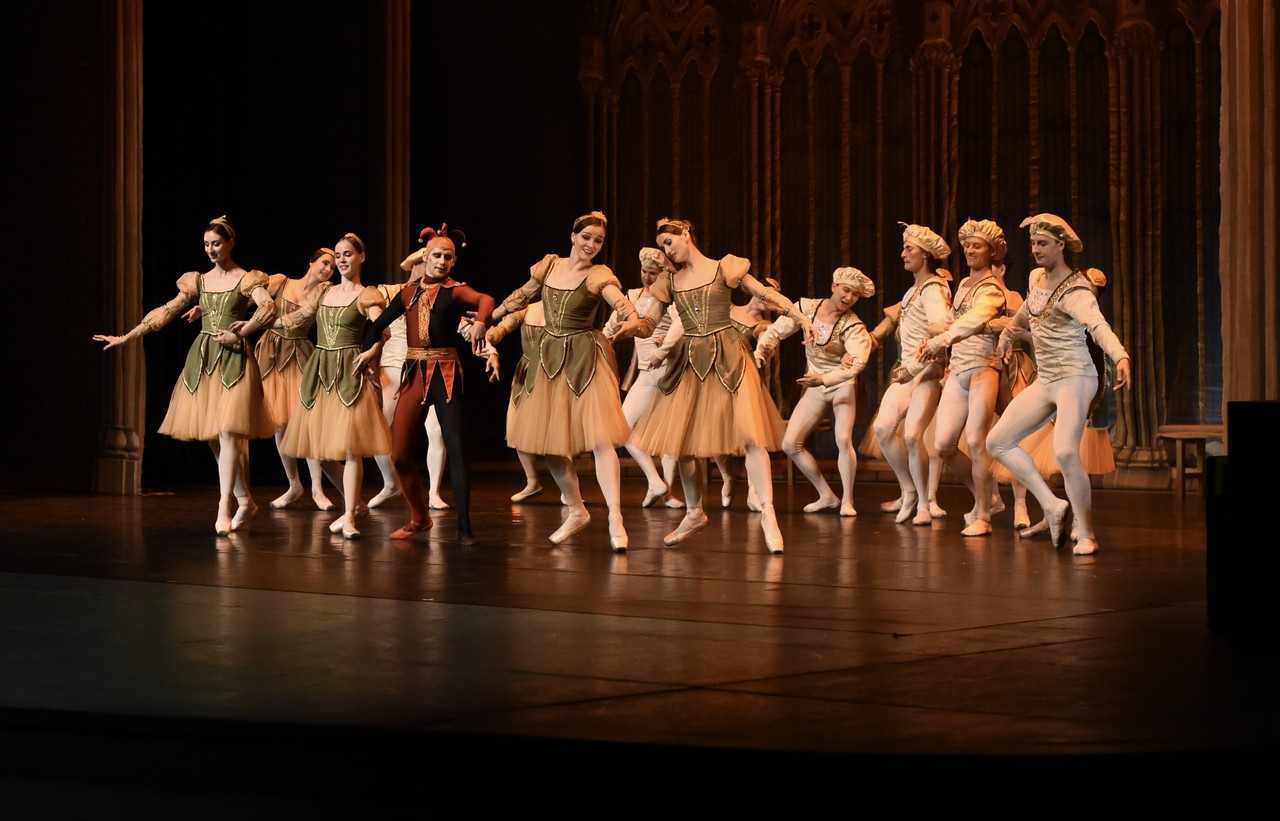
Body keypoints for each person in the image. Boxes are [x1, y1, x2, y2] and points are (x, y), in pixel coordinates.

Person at [629, 217, 815, 554]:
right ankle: (694, 511)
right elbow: (649, 321)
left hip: (729, 358)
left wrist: (801, 318)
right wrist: (628, 327)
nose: (666, 252)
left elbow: (765, 294)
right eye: (662, 247)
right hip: (690, 363)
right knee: (682, 445)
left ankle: (768, 513)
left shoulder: (723, 267)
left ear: (686, 234)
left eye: (669, 243)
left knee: (751, 437)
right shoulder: (670, 280)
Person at [94, 216, 277, 536]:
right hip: (204, 358)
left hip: (233, 358)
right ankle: (244, 499)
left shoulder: (247, 279)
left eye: (216, 244)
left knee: (228, 431)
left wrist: (243, 332)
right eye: (206, 245)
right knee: (211, 434)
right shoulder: (199, 281)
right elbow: (165, 311)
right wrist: (127, 336)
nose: (210, 250)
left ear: (231, 243)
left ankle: (224, 506)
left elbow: (268, 308)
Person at [488, 211, 642, 552]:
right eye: (586, 237)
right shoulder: (548, 266)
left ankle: (615, 515)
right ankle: (576, 510)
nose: (591, 244)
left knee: (601, 440)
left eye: (598, 241)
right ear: (573, 236)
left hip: (583, 358)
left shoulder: (598, 275)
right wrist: (491, 316)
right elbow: (522, 295)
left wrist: (631, 318)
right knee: (549, 445)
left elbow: (619, 301)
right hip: (548, 361)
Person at [986, 214, 1131, 556]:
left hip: (1076, 377)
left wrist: (1121, 356)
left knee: (1066, 450)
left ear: (1061, 246)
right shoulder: (1038, 283)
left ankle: (1088, 533)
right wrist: (1007, 335)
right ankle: (1052, 505)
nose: (1036, 250)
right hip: (1047, 378)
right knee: (998, 441)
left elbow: (1098, 326)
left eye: (1043, 244)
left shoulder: (1076, 290)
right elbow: (1024, 315)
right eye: (1033, 244)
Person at [361, 224, 494, 545]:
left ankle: (464, 527)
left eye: (448, 257)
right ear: (426, 257)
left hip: (445, 372)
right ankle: (419, 518)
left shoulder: (454, 291)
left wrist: (479, 322)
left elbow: (486, 299)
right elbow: (378, 324)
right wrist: (369, 351)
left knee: (457, 450)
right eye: (437, 255)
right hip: (414, 372)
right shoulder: (406, 293)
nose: (442, 261)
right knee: (399, 455)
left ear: (453, 262)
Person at [279, 232, 391, 539]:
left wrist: (372, 350)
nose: (341, 260)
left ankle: (349, 515)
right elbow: (295, 319)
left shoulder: (367, 294)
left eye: (347, 255)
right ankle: (354, 503)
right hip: (320, 370)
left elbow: (382, 329)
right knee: (319, 448)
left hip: (349, 371)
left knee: (351, 448)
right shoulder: (324, 293)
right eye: (338, 255)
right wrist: (257, 323)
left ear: (361, 258)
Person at [650, 276, 779, 512]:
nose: (767, 300)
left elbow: (767, 342)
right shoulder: (725, 308)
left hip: (740, 379)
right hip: (711, 376)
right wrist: (669, 341)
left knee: (751, 437)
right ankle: (728, 475)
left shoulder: (764, 324)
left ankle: (754, 492)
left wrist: (765, 349)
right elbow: (695, 326)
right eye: (766, 293)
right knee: (715, 434)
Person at [755, 266, 875, 517]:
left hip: (840, 384)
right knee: (790, 443)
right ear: (833, 287)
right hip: (816, 384)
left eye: (855, 295)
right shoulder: (805, 308)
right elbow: (777, 331)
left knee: (843, 438)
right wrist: (762, 348)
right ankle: (826, 495)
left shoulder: (853, 326)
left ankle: (847, 501)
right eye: (846, 290)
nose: (849, 298)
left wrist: (826, 377)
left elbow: (858, 362)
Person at [921, 219, 1009, 536]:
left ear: (992, 251)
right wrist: (933, 332)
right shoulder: (962, 285)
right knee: (943, 444)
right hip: (958, 369)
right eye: (968, 245)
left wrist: (939, 339)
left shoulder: (993, 289)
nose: (970, 250)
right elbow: (952, 321)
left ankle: (984, 515)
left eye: (978, 245)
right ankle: (987, 497)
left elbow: (973, 320)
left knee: (975, 441)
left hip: (984, 367)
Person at [870, 222, 953, 526]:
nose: (903, 253)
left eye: (909, 249)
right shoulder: (910, 292)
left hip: (927, 372)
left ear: (926, 255)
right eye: (904, 248)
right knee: (882, 428)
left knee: (912, 434)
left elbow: (941, 329)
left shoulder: (933, 289)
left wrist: (917, 366)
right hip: (907, 373)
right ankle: (908, 490)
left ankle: (923, 504)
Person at [257, 248, 339, 511]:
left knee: (306, 422)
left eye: (333, 266)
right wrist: (207, 308)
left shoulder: (324, 292)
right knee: (279, 424)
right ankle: (294, 484)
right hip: (271, 354)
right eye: (325, 262)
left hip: (300, 355)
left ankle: (317, 488)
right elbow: (247, 296)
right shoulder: (281, 281)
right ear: (312, 262)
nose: (328, 268)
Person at [604, 247, 683, 508]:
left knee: (669, 436)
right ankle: (655, 481)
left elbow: (682, 325)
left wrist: (664, 346)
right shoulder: (633, 297)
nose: (647, 277)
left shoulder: (668, 299)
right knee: (622, 427)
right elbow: (611, 324)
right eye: (644, 272)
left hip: (667, 368)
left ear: (662, 275)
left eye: (653, 273)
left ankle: (667, 491)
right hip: (647, 373)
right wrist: (601, 341)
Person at [372, 281, 451, 512]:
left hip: (426, 368)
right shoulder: (388, 291)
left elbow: (462, 327)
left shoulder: (441, 294)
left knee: (436, 431)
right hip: (391, 367)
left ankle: (433, 492)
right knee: (378, 429)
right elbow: (376, 323)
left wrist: (489, 348)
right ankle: (390, 482)